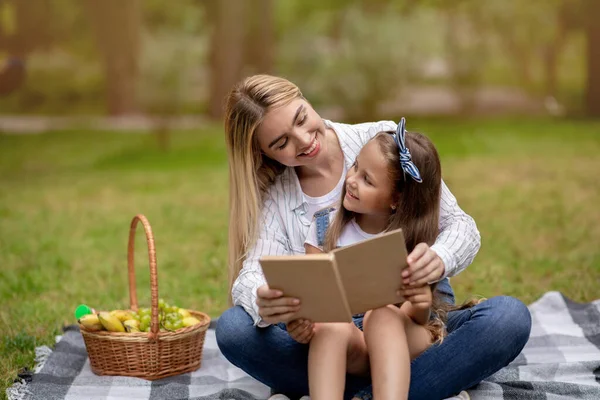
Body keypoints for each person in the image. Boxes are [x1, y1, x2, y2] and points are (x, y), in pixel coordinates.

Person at [216, 74, 532, 400]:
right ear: (265, 154)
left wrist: (438, 259)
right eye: (281, 143)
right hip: (332, 329)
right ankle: (408, 384)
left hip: (412, 319)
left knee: (508, 318)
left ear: (305, 99)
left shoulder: (377, 139)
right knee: (233, 330)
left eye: (301, 118)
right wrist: (267, 301)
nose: (304, 140)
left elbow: (461, 226)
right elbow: (250, 276)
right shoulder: (277, 198)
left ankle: (364, 391)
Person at [289, 121, 481, 400]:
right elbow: (317, 302)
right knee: (329, 325)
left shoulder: (411, 240)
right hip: (351, 342)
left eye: (367, 180)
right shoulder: (325, 226)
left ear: (395, 200)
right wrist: (305, 321)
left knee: (382, 315)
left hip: (405, 335)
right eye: (354, 166)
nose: (352, 180)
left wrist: (420, 301)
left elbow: (418, 318)